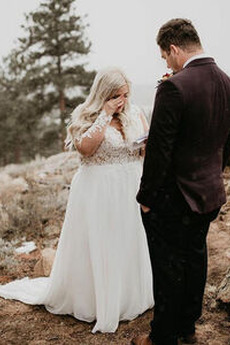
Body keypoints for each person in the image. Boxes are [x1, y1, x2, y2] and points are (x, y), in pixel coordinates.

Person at [0, 67, 153, 333]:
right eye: (116, 95)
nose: (122, 101)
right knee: (103, 240)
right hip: (99, 191)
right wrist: (104, 115)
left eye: (125, 95)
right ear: (104, 94)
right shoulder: (87, 115)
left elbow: (144, 151)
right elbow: (85, 148)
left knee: (128, 238)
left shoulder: (135, 113)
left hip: (130, 186)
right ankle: (96, 301)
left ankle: (129, 296)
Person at [131, 18, 230, 345]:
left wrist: (146, 197)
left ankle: (162, 336)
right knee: (195, 258)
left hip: (174, 197)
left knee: (167, 267)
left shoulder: (175, 86)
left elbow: (159, 150)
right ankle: (187, 326)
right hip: (209, 193)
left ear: (173, 48)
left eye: (164, 57)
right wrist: (215, 172)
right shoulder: (226, 81)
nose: (166, 64)